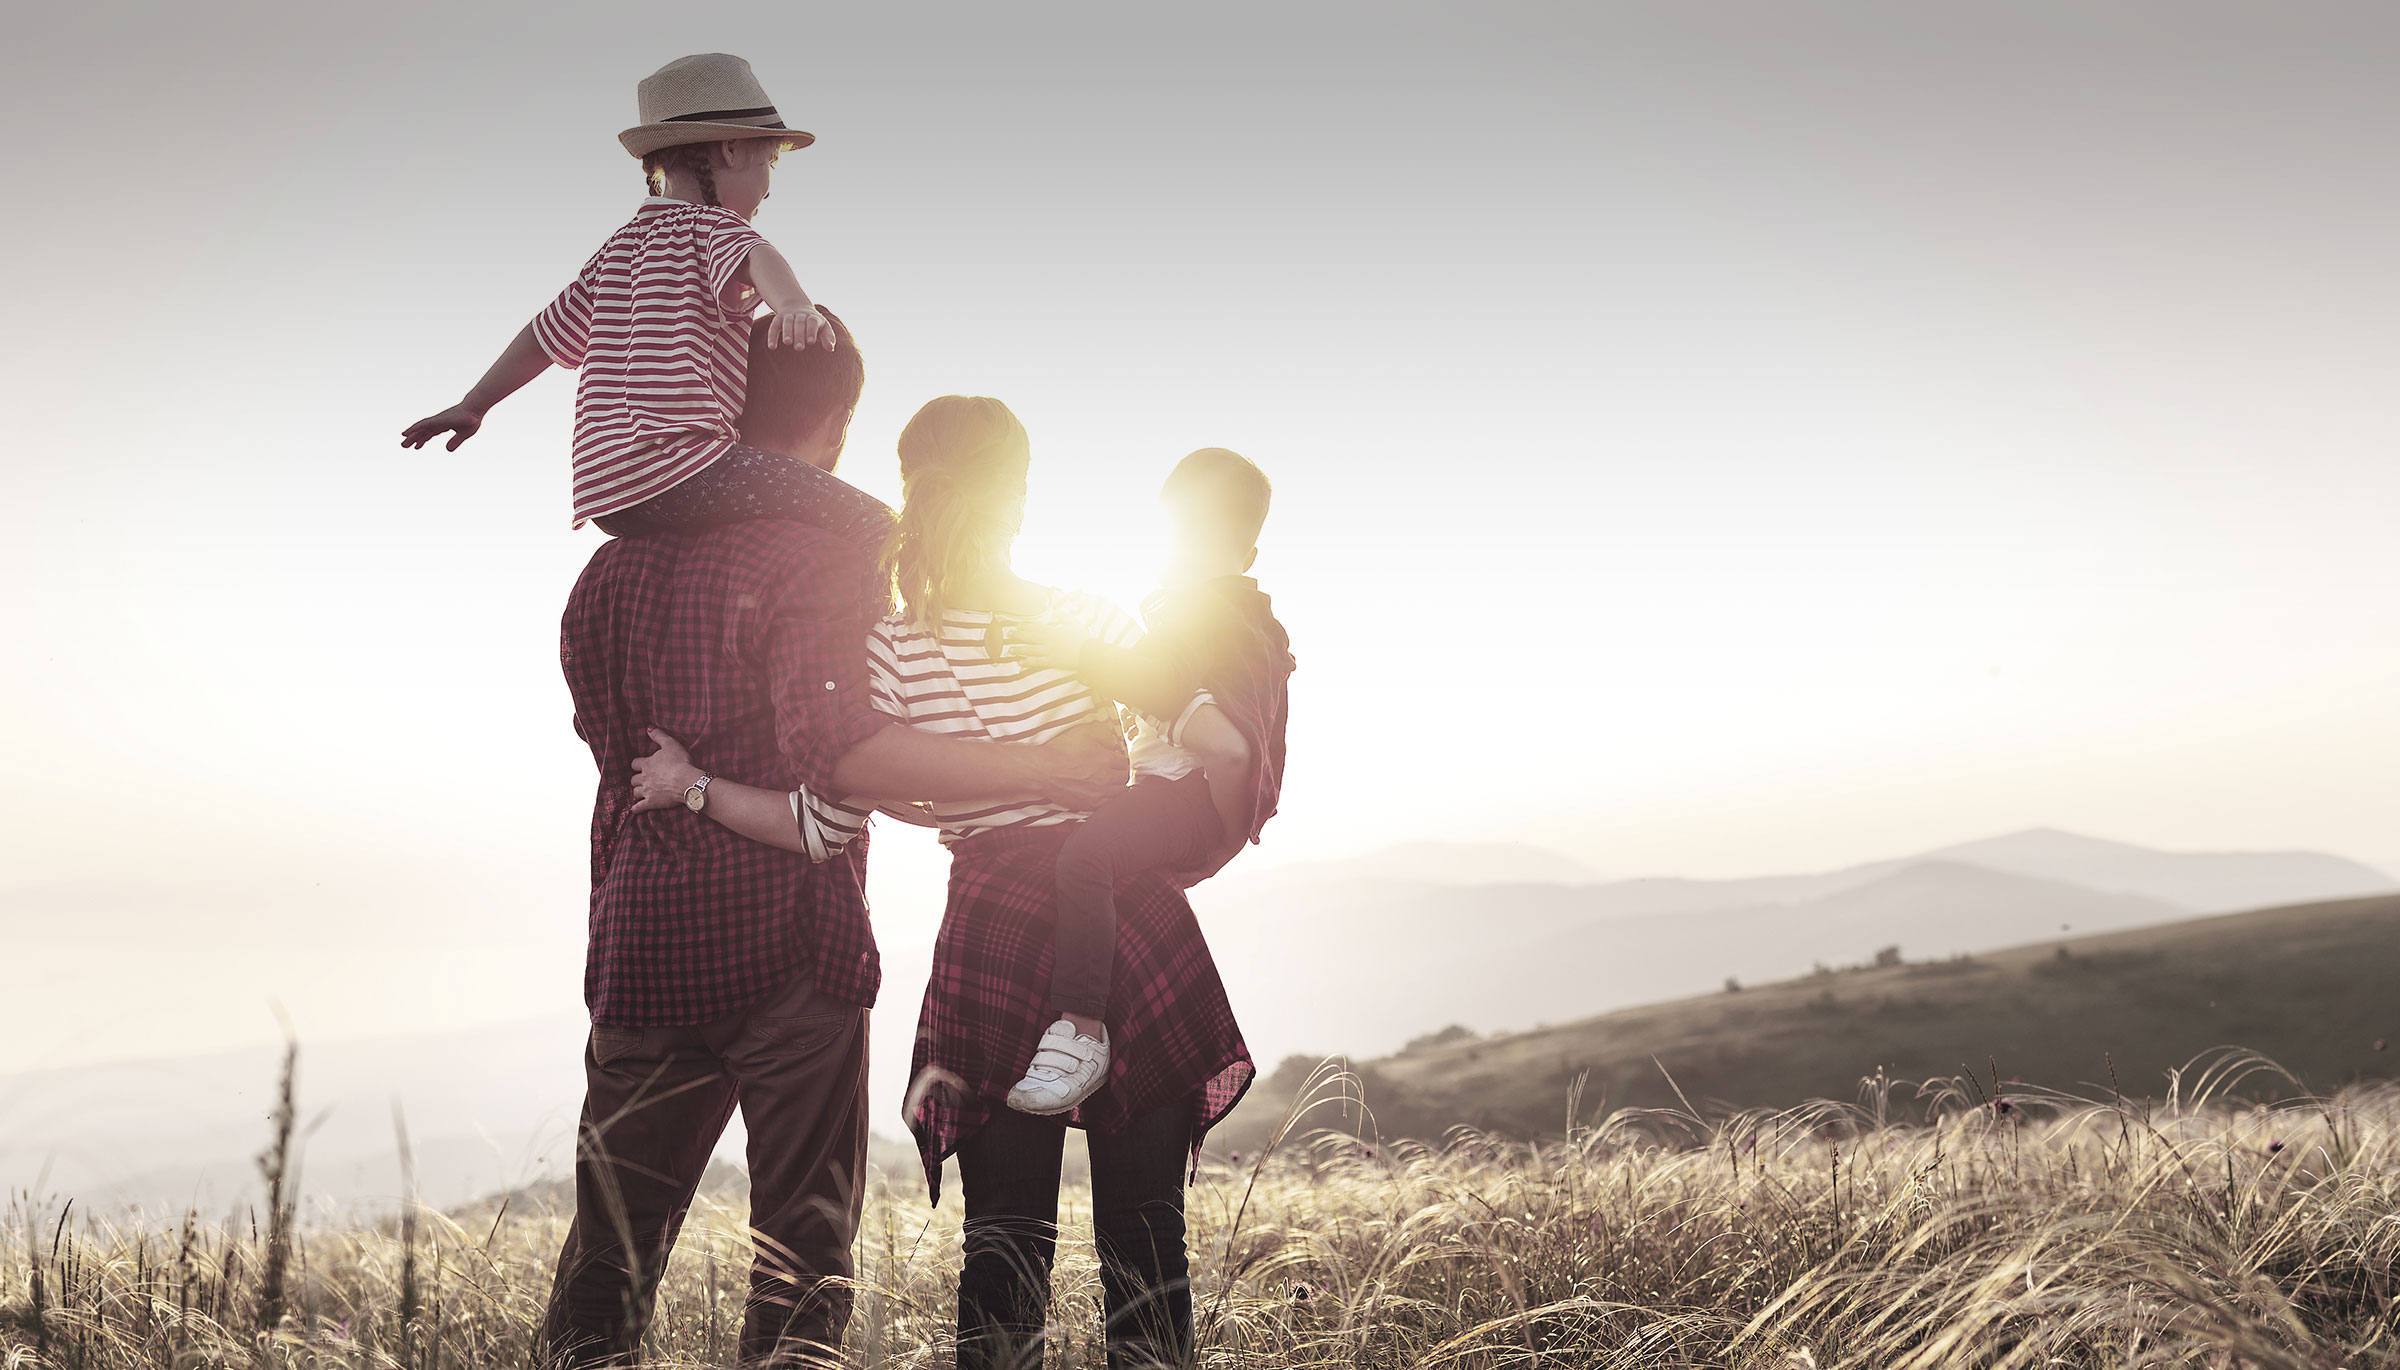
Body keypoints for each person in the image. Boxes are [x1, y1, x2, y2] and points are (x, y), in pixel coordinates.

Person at [543, 314, 1121, 1369]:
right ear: (841, 424)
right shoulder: (826, 552)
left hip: (640, 941)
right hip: (785, 950)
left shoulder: (607, 573)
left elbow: (608, 746)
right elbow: (846, 751)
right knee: (801, 1261)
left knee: (607, 1262)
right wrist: (1040, 769)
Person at [631, 396, 1254, 1369]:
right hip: (1131, 924)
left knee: (1003, 1257)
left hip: (997, 938)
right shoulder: (1087, 615)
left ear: (913, 484)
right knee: (1148, 1258)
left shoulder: (886, 652)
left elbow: (819, 822)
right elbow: (1193, 764)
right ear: (1019, 496)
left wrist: (694, 786)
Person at [398, 52, 889, 550]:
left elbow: (540, 339)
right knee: (876, 524)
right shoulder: (714, 227)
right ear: (734, 150)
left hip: (605, 493)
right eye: (769, 163)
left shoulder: (616, 252)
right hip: (685, 466)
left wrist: (474, 405)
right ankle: (891, 629)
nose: (769, 189)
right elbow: (758, 256)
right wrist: (794, 306)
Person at [997, 447, 1296, 1115]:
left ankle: (1082, 1030)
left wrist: (1080, 655)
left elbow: (1214, 734)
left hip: (1184, 796)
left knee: (1085, 859)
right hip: (1178, 796)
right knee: (1090, 853)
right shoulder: (1225, 614)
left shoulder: (1216, 615)